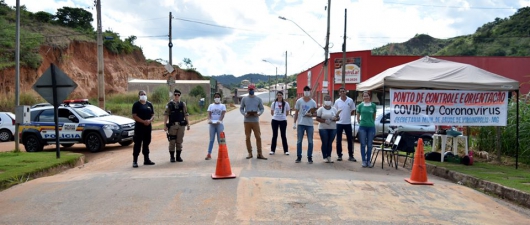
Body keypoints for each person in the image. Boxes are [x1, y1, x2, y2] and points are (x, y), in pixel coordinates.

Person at [240, 84, 267, 160]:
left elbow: (262, 108)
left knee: (258, 137)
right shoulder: (244, 99)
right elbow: (241, 108)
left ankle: (259, 153)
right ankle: (250, 153)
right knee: (247, 137)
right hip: (247, 121)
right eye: (250, 89)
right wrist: (244, 114)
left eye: (252, 89)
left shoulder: (258, 99)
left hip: (255, 121)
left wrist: (258, 113)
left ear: (254, 90)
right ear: (248, 90)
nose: (251, 90)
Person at [164, 89, 190, 163]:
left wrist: (188, 124)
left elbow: (186, 114)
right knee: (172, 141)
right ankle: (172, 157)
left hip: (181, 126)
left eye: (178, 95)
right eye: (175, 94)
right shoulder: (169, 104)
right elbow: (166, 115)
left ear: (180, 96)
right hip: (172, 126)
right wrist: (165, 125)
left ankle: (178, 156)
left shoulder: (183, 104)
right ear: (173, 95)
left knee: (179, 141)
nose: (177, 96)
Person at [293, 86, 317, 164]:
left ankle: (309, 157)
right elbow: (296, 112)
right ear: (303, 91)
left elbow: (315, 113)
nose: (307, 92)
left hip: (309, 124)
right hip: (301, 123)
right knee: (299, 141)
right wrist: (294, 122)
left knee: (310, 141)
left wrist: (311, 115)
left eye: (308, 90)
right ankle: (299, 157)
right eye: (305, 90)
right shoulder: (299, 101)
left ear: (310, 91)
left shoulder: (313, 102)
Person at [131, 90, 155, 168]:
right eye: (142, 94)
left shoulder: (149, 104)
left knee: (146, 143)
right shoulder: (136, 105)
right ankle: (135, 161)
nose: (143, 95)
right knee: (137, 143)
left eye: (144, 94)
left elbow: (153, 115)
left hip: (148, 127)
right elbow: (134, 115)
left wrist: (150, 120)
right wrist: (143, 121)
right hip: (139, 127)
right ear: (139, 96)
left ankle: (146, 159)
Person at [334, 87, 357, 162]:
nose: (342, 92)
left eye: (344, 91)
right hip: (339, 123)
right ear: (339, 93)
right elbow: (335, 111)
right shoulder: (337, 101)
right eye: (341, 91)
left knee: (350, 139)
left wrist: (348, 115)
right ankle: (339, 155)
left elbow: (353, 110)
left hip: (348, 123)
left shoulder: (350, 100)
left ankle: (351, 155)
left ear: (346, 92)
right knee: (339, 140)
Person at [356, 91, 377, 168]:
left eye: (367, 96)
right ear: (362, 97)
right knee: (363, 144)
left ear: (369, 96)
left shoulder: (373, 105)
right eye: (364, 96)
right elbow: (358, 117)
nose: (366, 97)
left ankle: (368, 160)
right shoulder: (360, 106)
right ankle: (363, 161)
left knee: (369, 145)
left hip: (371, 127)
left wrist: (370, 122)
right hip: (362, 127)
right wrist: (361, 122)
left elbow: (374, 116)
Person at [316, 95, 338, 163]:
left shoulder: (334, 109)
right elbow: (317, 118)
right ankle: (324, 156)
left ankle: (329, 156)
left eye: (329, 99)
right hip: (323, 128)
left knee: (330, 143)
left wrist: (335, 118)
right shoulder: (321, 109)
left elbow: (338, 117)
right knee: (325, 142)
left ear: (331, 100)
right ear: (324, 100)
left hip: (333, 128)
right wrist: (324, 121)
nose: (327, 101)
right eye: (326, 99)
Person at [206, 92, 226, 160]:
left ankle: (222, 154)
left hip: (219, 124)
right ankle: (209, 154)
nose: (217, 98)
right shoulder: (211, 106)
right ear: (214, 98)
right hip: (212, 124)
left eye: (218, 97)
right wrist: (209, 120)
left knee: (220, 140)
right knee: (211, 140)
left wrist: (219, 120)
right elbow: (209, 114)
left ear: (220, 98)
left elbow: (223, 114)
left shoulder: (222, 106)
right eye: (215, 97)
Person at [270, 91, 291, 155]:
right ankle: (272, 150)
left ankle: (286, 150)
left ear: (282, 96)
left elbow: (287, 112)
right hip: (275, 120)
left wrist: (282, 116)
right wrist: (276, 116)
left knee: (283, 135)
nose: (279, 96)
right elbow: (272, 112)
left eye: (280, 95)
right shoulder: (274, 103)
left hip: (283, 121)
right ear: (277, 96)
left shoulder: (286, 103)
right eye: (278, 95)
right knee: (274, 135)